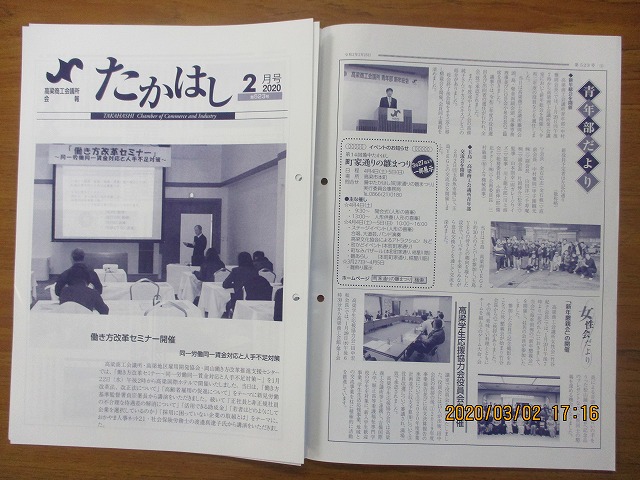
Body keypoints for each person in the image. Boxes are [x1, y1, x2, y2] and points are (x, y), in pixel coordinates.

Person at [222, 251, 258, 317]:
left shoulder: (236, 270)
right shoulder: (254, 270)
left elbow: (225, 284)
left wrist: (236, 285)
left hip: (238, 298)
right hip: (252, 298)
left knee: (226, 304)